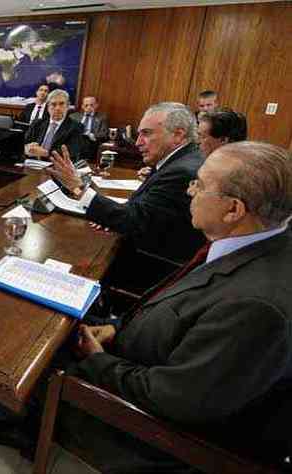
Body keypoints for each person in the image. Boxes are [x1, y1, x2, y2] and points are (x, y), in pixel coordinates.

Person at [62, 141, 292, 472]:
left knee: (29, 362)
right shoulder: (251, 243)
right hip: (135, 346)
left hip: (147, 432)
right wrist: (117, 328)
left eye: (199, 184)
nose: (188, 191)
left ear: (233, 210)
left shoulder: (257, 309)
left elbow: (174, 400)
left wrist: (97, 360)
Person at [48, 102, 206, 264]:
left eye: (146, 133)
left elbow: (135, 222)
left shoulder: (180, 172)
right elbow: (143, 212)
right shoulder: (181, 160)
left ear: (178, 135)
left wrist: (78, 187)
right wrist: (110, 216)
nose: (138, 142)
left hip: (146, 262)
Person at [24, 89, 83, 160]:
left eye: (61, 104)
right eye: (53, 104)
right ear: (48, 107)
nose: (57, 108)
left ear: (67, 106)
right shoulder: (37, 123)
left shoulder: (76, 127)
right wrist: (27, 148)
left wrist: (45, 153)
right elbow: (25, 142)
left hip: (57, 167)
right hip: (33, 163)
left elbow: (72, 152)